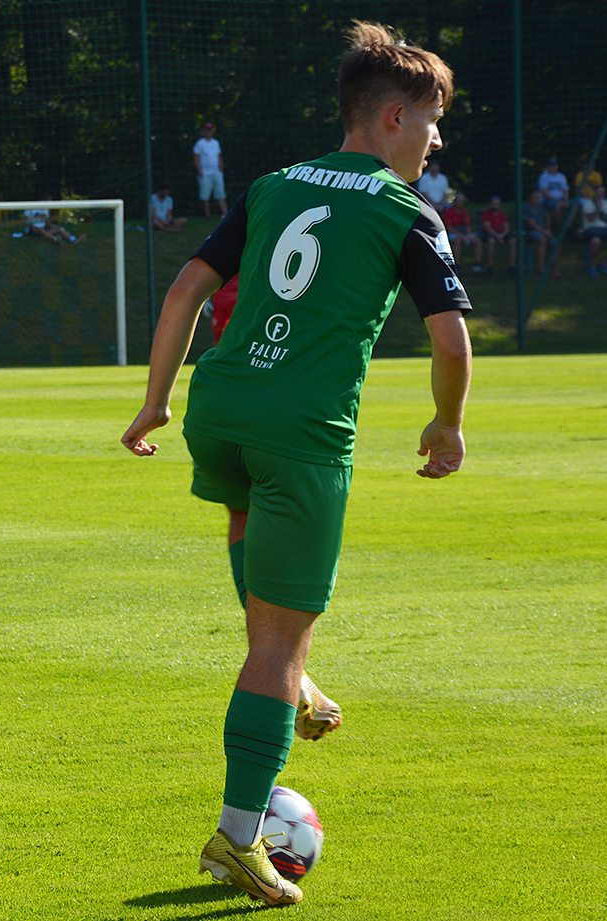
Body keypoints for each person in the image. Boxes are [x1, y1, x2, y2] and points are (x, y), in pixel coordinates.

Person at [121, 21, 471, 907]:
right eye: (433, 121)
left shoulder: (273, 184)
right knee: (276, 644)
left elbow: (186, 288)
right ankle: (239, 837)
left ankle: (299, 685)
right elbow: (449, 339)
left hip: (221, 405)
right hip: (300, 428)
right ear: (393, 116)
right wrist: (445, 424)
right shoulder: (405, 209)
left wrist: (156, 399)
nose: (436, 141)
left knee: (249, 522)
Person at [522, 188, 560, 276]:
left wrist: (548, 230)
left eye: (538, 197)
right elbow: (532, 224)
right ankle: (541, 268)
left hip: (543, 231)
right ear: (530, 198)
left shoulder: (541, 206)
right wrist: (545, 232)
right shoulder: (526, 208)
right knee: (542, 240)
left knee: (556, 244)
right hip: (530, 232)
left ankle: (555, 270)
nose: (537, 199)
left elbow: (546, 217)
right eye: (535, 197)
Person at [193, 122, 227, 219]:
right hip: (205, 174)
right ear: (204, 131)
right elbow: (196, 158)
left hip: (216, 173)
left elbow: (219, 156)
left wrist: (220, 169)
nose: (209, 132)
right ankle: (208, 216)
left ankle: (225, 214)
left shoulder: (216, 143)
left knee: (220, 194)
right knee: (205, 196)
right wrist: (200, 171)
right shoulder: (200, 143)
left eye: (210, 130)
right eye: (207, 130)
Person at [442, 192, 483, 270]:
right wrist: (462, 236)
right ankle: (456, 265)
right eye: (459, 201)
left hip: (463, 233)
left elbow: (467, 226)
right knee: (457, 241)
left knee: (478, 241)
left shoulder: (464, 212)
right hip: (453, 233)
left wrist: (468, 235)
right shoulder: (449, 212)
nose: (460, 203)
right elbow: (449, 228)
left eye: (462, 201)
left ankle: (477, 264)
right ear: (455, 201)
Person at [479, 194, 516, 275]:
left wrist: (502, 235)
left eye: (497, 204)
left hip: (501, 233)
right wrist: (498, 237)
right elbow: (488, 228)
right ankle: (490, 267)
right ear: (490, 204)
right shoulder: (486, 214)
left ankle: (511, 267)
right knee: (491, 241)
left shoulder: (502, 214)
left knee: (513, 241)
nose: (496, 206)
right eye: (494, 204)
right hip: (490, 234)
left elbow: (506, 227)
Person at [579, 185, 607, 276]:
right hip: (591, 228)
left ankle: (604, 263)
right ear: (595, 193)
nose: (601, 194)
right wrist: (599, 210)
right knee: (596, 241)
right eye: (600, 192)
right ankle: (592, 265)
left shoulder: (606, 203)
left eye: (603, 192)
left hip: (604, 227)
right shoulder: (588, 204)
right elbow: (591, 219)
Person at [538, 158, 570, 235]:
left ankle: (567, 226)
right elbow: (545, 193)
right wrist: (557, 201)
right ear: (548, 166)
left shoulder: (561, 176)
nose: (553, 167)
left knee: (575, 204)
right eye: (551, 165)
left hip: (562, 199)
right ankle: (560, 230)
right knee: (557, 206)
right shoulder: (544, 176)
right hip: (548, 200)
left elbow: (565, 190)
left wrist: (566, 201)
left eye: (555, 165)